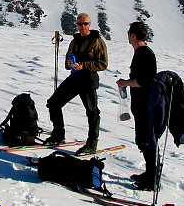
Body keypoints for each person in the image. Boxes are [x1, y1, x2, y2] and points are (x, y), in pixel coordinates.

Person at [44, 13, 108, 156]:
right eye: (80, 24)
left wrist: (83, 65)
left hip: (88, 79)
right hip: (75, 78)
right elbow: (68, 58)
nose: (82, 26)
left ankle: (92, 144)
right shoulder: (75, 41)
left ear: (90, 24)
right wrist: (69, 64)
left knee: (92, 112)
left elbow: (103, 63)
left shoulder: (97, 41)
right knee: (53, 103)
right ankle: (58, 135)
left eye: (85, 24)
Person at [116, 21, 158, 190]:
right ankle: (150, 174)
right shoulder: (142, 52)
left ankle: (152, 178)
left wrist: (126, 82)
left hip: (146, 103)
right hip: (142, 103)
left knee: (147, 139)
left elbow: (144, 81)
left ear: (132, 35)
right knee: (143, 139)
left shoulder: (143, 53)